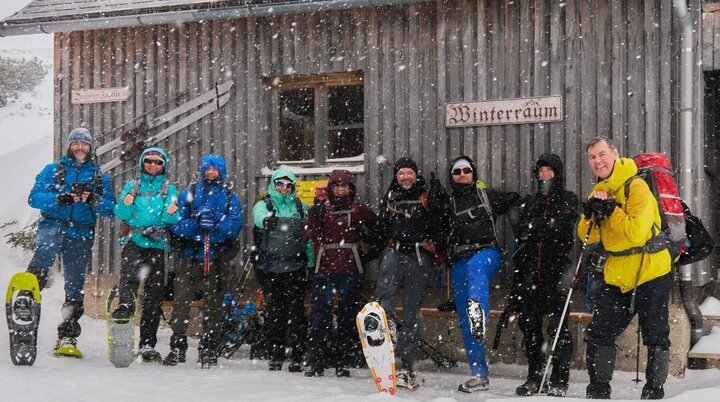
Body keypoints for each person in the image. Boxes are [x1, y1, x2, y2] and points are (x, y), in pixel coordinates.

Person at [579, 136, 672, 400]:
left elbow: (636, 232)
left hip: (651, 271)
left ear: (615, 153)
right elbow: (587, 237)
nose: (598, 161)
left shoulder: (637, 186)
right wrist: (590, 214)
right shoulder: (599, 190)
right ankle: (598, 390)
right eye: (592, 157)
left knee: (655, 333)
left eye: (601, 154)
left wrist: (612, 210)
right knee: (599, 332)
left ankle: (654, 391)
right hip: (617, 274)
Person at [25, 127, 115, 356]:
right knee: (44, 253)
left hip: (81, 234)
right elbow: (34, 198)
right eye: (76, 143)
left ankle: (67, 334)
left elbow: (112, 208)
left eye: (84, 144)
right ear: (69, 146)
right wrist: (59, 199)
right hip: (53, 224)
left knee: (74, 284)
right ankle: (26, 300)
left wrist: (93, 199)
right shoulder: (53, 170)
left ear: (90, 148)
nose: (80, 147)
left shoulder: (99, 177)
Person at [443, 155, 519, 393]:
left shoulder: (486, 196)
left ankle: (480, 313)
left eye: (466, 170)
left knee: (476, 270)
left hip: (487, 253)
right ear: (452, 177)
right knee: (466, 321)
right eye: (457, 172)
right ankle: (479, 375)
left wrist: (523, 227)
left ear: (473, 173)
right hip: (459, 259)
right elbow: (438, 230)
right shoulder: (448, 202)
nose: (462, 175)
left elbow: (515, 200)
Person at [163, 154, 244, 366]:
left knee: (214, 303)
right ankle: (178, 345)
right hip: (189, 255)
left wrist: (216, 220)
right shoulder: (188, 194)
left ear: (221, 172)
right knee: (181, 300)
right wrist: (196, 223)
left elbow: (235, 226)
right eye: (208, 169)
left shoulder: (229, 198)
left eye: (215, 169)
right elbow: (174, 222)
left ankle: (208, 346)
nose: (211, 172)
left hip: (217, 257)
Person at [373, 157, 447, 389]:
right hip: (394, 252)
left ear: (416, 174)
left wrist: (439, 202)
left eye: (409, 173)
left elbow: (440, 222)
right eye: (401, 174)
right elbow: (382, 227)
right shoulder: (390, 196)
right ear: (396, 177)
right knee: (383, 298)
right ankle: (386, 342)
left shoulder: (426, 195)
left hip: (418, 257)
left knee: (411, 310)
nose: (405, 178)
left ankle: (407, 364)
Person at [511, 153, 578, 397]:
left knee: (558, 327)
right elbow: (521, 229)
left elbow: (561, 227)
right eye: (541, 170)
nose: (544, 174)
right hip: (531, 273)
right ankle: (535, 375)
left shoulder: (568, 198)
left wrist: (539, 226)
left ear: (557, 173)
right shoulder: (531, 201)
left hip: (558, 272)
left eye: (549, 170)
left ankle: (559, 379)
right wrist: (540, 226)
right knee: (529, 325)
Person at [300, 169, 378, 377]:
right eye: (337, 186)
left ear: (350, 188)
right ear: (331, 188)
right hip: (324, 268)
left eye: (344, 186)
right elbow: (306, 230)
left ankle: (343, 360)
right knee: (320, 315)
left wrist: (367, 241)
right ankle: (318, 360)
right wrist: (312, 226)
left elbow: (379, 230)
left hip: (351, 268)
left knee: (347, 316)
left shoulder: (359, 210)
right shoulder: (320, 210)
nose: (341, 190)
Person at [112, 147, 180, 362]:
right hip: (134, 240)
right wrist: (125, 203)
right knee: (129, 280)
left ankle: (147, 343)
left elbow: (173, 218)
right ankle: (124, 312)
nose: (153, 165)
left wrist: (171, 214)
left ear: (164, 166)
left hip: (158, 244)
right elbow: (120, 214)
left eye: (158, 162)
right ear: (142, 163)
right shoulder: (133, 186)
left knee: (154, 294)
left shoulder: (169, 189)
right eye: (149, 161)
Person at [252, 168, 313, 372]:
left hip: (295, 267)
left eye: (288, 185)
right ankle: (276, 354)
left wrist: (311, 264)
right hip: (270, 268)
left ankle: (298, 354)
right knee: (275, 312)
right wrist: (266, 221)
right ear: (274, 184)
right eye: (280, 183)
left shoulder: (300, 207)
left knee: (296, 312)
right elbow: (258, 216)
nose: (284, 188)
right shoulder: (264, 204)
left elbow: (308, 240)